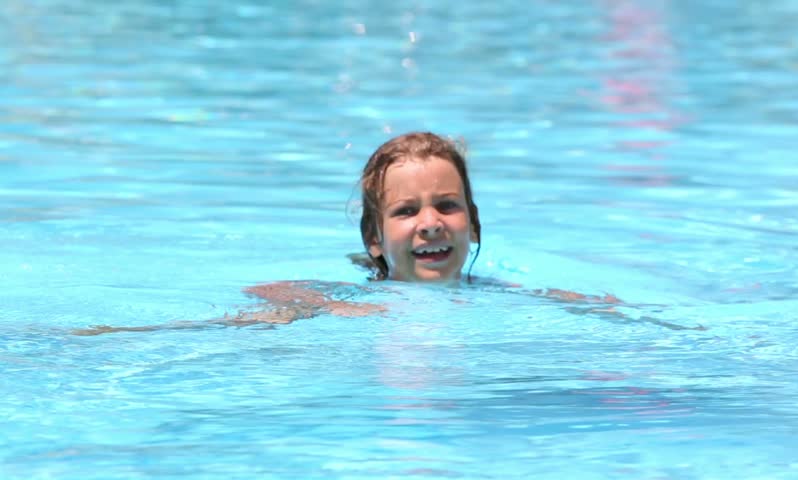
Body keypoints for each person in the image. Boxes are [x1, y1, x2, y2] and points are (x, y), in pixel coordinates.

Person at [73, 132, 620, 336]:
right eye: (407, 211)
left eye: (447, 206)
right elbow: (266, 293)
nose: (431, 221)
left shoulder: (503, 297)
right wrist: (317, 307)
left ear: (473, 223)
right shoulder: (362, 301)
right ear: (375, 241)